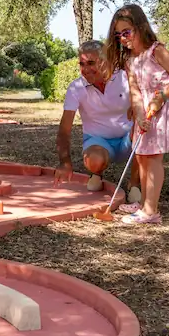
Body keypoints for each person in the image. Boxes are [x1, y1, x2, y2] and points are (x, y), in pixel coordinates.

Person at [110, 4, 169, 225]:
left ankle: (151, 212)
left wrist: (161, 96)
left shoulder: (157, 51)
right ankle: (144, 203)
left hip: (161, 109)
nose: (123, 39)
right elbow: (135, 91)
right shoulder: (129, 60)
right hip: (145, 112)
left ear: (140, 27)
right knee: (141, 156)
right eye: (118, 35)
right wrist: (138, 114)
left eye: (127, 32)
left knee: (152, 157)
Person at [54, 40, 142, 210]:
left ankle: (134, 184)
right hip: (98, 142)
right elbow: (64, 130)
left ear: (105, 61)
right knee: (94, 160)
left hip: (128, 139)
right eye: (82, 64)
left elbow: (142, 104)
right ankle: (96, 174)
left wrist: (137, 107)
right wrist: (64, 162)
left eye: (91, 63)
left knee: (143, 130)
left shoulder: (124, 78)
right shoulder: (75, 88)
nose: (85, 69)